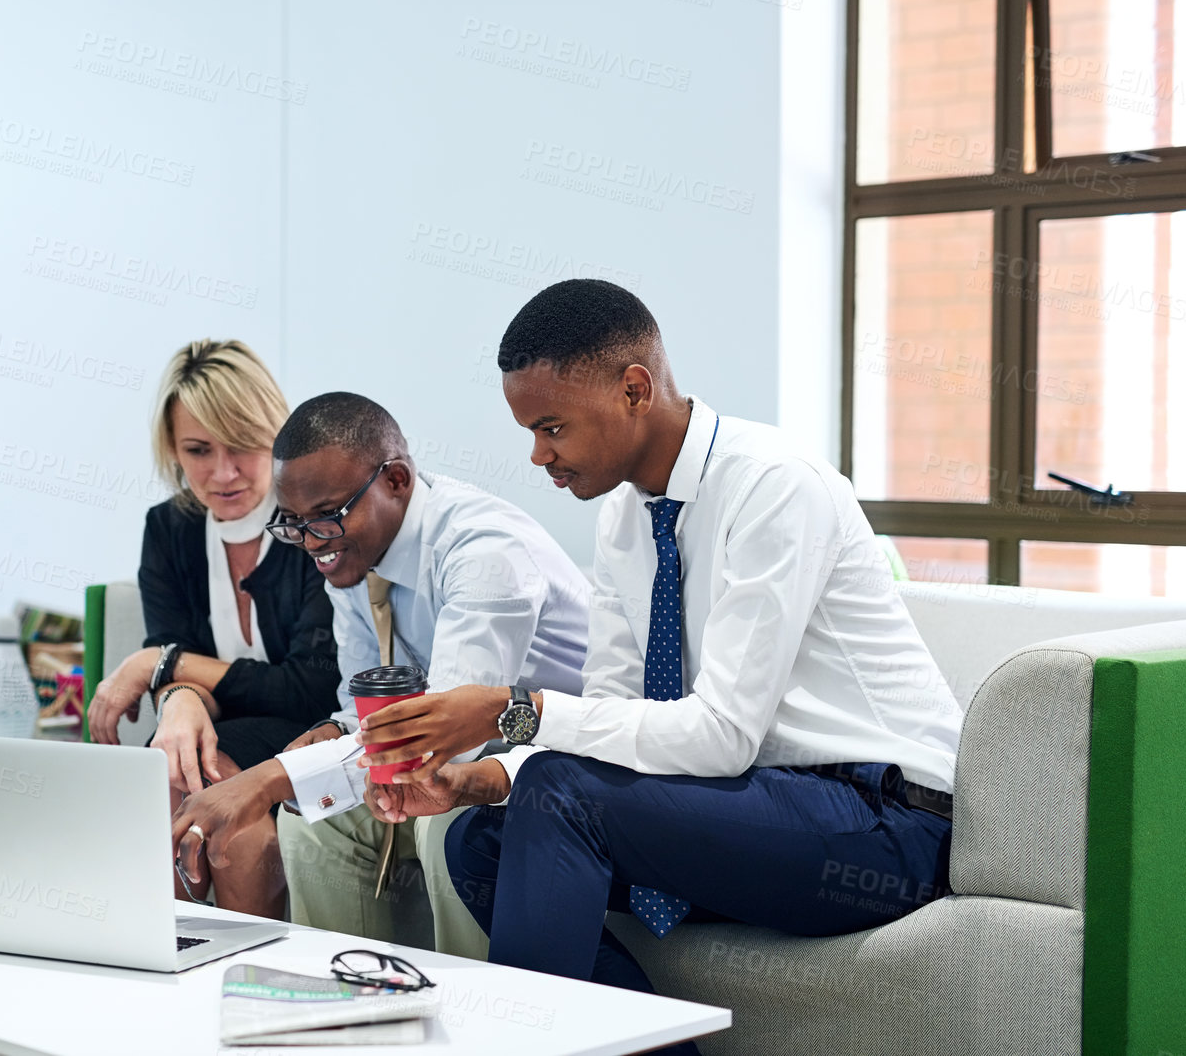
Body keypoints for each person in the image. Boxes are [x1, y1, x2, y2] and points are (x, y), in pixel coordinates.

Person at [358, 279, 963, 1003]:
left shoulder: (772, 485)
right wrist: (487, 778)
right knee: (477, 842)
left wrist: (509, 711)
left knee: (560, 792)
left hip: (886, 821)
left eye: (551, 427)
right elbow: (615, 717)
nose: (537, 455)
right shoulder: (623, 518)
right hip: (760, 803)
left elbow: (721, 736)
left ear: (634, 389)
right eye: (529, 432)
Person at [169, 392, 588, 959]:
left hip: (548, 772)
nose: (312, 543)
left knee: (447, 817)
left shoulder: (484, 551)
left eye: (325, 517)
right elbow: (364, 703)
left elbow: (440, 742)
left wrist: (266, 779)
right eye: (294, 525)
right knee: (316, 818)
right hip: (459, 758)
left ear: (395, 480)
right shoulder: (351, 558)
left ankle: (473, 1021)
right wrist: (335, 732)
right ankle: (350, 1005)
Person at [86, 339, 340, 918]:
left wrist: (163, 666)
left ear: (275, 435)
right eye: (198, 450)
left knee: (212, 801)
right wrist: (177, 698)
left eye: (244, 446)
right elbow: (173, 646)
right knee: (173, 768)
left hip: (316, 731)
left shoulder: (317, 522)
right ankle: (168, 971)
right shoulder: (169, 528)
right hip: (225, 733)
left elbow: (311, 686)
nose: (221, 474)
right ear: (172, 450)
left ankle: (246, 980)